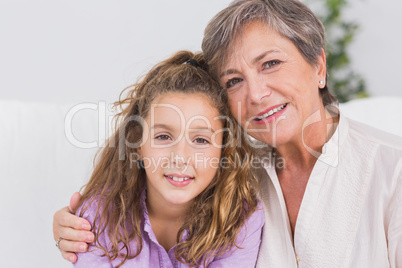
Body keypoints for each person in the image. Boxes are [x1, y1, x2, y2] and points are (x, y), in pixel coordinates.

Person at [54, 0, 402, 267]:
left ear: (319, 67)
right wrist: (78, 225)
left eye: (270, 64)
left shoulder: (393, 172)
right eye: (234, 80)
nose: (255, 93)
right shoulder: (227, 177)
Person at [58, 50, 264, 267]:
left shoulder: (241, 221)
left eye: (201, 140)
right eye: (163, 137)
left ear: (224, 151)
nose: (180, 157)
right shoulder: (99, 215)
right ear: (136, 143)